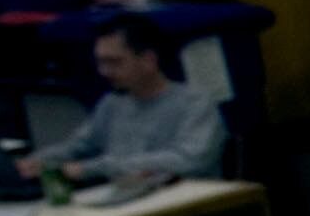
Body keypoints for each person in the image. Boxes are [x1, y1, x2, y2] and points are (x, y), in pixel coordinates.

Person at [15, 13, 225, 184]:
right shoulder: (112, 104)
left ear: (148, 61)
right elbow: (78, 146)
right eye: (100, 62)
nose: (103, 71)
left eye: (113, 62)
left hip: (184, 208)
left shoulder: (195, 102)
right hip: (125, 204)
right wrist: (38, 161)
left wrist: (91, 168)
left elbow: (191, 159)